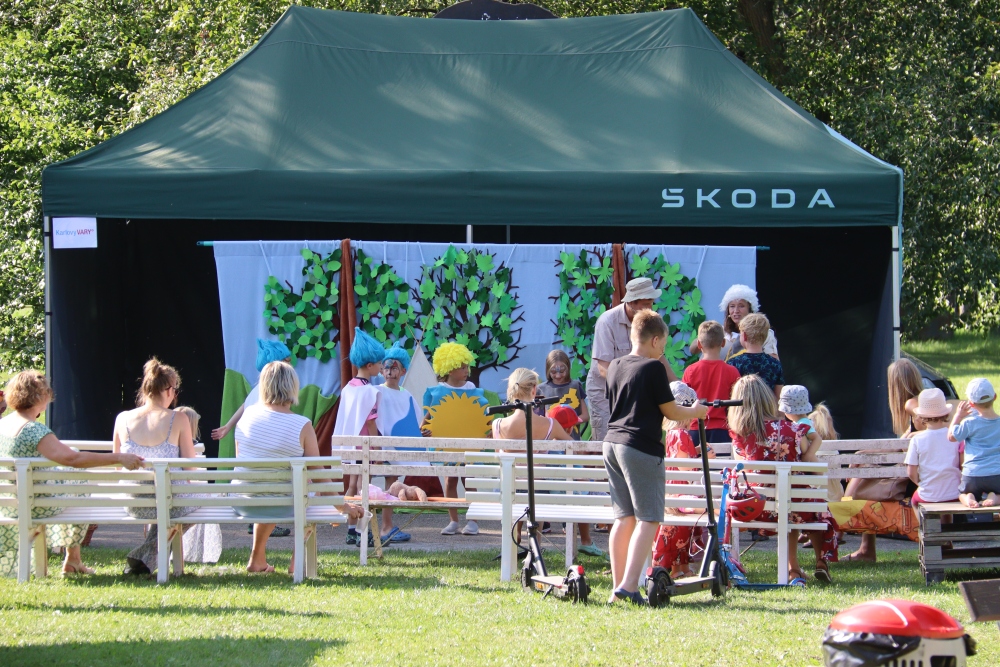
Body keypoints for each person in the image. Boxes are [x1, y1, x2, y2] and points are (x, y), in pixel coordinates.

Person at [603, 310, 707, 605]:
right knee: (649, 518)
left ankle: (617, 587)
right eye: (663, 344)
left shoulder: (615, 365)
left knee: (623, 518)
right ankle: (629, 586)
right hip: (639, 447)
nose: (663, 351)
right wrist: (697, 411)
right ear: (655, 339)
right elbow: (671, 411)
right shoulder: (653, 368)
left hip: (612, 443)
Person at [0, 371, 143, 577]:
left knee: (71, 478)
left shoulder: (4, 424)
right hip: (35, 505)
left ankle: (73, 560)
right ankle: (73, 559)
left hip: (9, 503)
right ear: (41, 397)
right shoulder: (33, 431)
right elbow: (72, 459)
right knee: (78, 480)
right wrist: (119, 458)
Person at [235, 361, 363, 573]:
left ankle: (257, 558)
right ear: (292, 387)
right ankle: (297, 560)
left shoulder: (246, 416)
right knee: (309, 490)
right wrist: (342, 506)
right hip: (285, 505)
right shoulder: (302, 425)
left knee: (268, 487)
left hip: (245, 502)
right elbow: (318, 473)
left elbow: (243, 462)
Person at [728, 374, 838, 585]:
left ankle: (794, 568)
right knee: (810, 508)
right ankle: (819, 561)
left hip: (757, 507)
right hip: (794, 505)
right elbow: (807, 461)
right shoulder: (794, 430)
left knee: (789, 506)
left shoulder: (740, 436)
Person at [493, 368, 606, 558]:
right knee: (537, 487)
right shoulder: (549, 425)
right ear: (534, 390)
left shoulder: (497, 425)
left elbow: (501, 460)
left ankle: (514, 540)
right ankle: (535, 546)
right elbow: (574, 448)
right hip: (538, 494)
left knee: (515, 485)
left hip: (507, 493)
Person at [113, 358, 199, 575]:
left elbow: (117, 467)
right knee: (200, 501)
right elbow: (190, 470)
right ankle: (146, 554)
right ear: (169, 390)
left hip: (133, 502)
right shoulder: (179, 419)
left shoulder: (122, 418)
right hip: (170, 503)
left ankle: (145, 558)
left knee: (169, 503)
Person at [843, 358, 924, 563]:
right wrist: (863, 453)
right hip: (918, 476)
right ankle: (862, 544)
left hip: (918, 480)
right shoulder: (917, 403)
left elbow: (932, 429)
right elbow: (897, 445)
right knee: (864, 466)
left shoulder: (913, 404)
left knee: (863, 474)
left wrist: (917, 436)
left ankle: (844, 519)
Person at [211, 338, 294, 539]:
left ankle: (256, 521)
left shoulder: (258, 389)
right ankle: (262, 521)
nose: (290, 365)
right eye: (287, 361)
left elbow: (244, 406)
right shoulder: (265, 392)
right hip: (259, 447)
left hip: (248, 447)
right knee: (266, 476)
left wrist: (228, 426)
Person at [652, 382, 710, 579]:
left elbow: (679, 458)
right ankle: (679, 569)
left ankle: (682, 567)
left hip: (671, 492)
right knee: (712, 510)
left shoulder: (671, 433)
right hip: (680, 495)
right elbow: (685, 468)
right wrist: (702, 458)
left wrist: (698, 450)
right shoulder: (682, 434)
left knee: (684, 529)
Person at [333, 328, 385, 545]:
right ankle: (362, 530)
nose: (382, 366)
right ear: (370, 365)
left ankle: (351, 529)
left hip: (349, 445)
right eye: (380, 363)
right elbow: (371, 422)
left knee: (352, 485)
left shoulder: (348, 388)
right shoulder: (369, 391)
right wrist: (377, 448)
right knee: (365, 487)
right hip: (364, 446)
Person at [425, 341, 482, 536]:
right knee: (450, 480)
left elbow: (480, 414)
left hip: (468, 444)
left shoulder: (472, 389)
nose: (466, 370)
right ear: (449, 368)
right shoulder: (438, 391)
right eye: (462, 367)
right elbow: (428, 418)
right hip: (447, 444)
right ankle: (453, 520)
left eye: (467, 366)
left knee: (469, 480)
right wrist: (426, 430)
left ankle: (473, 520)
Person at [372, 342, 424, 544]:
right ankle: (375, 527)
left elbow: (414, 419)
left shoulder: (406, 394)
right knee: (378, 483)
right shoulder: (376, 391)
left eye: (394, 368)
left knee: (392, 483)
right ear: (381, 370)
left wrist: (420, 432)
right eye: (386, 367)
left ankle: (386, 525)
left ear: (402, 371)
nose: (389, 371)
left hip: (395, 447)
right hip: (380, 446)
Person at [176, 406, 223, 565]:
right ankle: (193, 550)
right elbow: (192, 476)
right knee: (205, 501)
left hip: (161, 497)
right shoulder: (191, 448)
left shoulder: (164, 443)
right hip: (181, 498)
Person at [682, 320, 740, 447]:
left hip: (696, 429)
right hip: (722, 430)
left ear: (699, 344)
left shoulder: (690, 371)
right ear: (723, 343)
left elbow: (684, 403)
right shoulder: (733, 372)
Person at [692, 284, 778, 361]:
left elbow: (773, 362)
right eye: (732, 306)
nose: (736, 311)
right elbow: (693, 350)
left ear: (750, 309)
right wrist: (706, 335)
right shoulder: (719, 331)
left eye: (741, 306)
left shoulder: (764, 333)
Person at [950, 378, 1000, 508]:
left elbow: (951, 437)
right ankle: (995, 497)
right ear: (995, 397)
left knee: (961, 494)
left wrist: (958, 416)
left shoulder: (969, 423)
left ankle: (968, 497)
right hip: (997, 474)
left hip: (972, 474)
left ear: (971, 404)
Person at [905, 389, 961, 505]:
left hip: (928, 495)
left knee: (914, 502)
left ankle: (921, 518)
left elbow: (911, 472)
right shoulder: (955, 437)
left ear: (921, 416)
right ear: (946, 413)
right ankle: (947, 518)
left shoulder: (917, 439)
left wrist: (920, 484)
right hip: (955, 493)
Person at [727, 313, 784, 399]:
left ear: (744, 336)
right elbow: (779, 398)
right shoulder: (775, 364)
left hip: (741, 407)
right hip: (767, 407)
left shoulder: (733, 363)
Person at [535, 350, 589, 439]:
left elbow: (585, 416)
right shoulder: (540, 389)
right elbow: (537, 419)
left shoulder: (575, 386)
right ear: (548, 370)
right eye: (553, 372)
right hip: (550, 441)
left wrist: (568, 423)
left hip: (573, 440)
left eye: (562, 370)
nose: (558, 375)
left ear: (567, 367)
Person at [778, 385, 823, 463]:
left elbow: (817, 439)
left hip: (810, 462)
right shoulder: (801, 422)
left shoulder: (803, 424)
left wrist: (807, 456)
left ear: (790, 411)